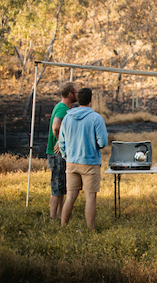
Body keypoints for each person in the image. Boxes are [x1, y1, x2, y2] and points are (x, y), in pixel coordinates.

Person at [58, 87, 108, 231]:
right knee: (90, 197)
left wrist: (66, 156)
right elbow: (103, 142)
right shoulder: (96, 118)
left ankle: (63, 226)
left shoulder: (67, 117)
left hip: (71, 162)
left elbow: (61, 141)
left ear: (78, 100)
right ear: (91, 100)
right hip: (90, 163)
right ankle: (91, 230)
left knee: (70, 197)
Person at [46, 81, 77, 221]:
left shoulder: (61, 106)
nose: (77, 94)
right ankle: (53, 218)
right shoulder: (63, 109)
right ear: (70, 94)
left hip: (57, 154)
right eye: (76, 92)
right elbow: (56, 126)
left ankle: (59, 215)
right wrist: (60, 141)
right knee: (57, 187)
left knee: (60, 186)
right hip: (56, 153)